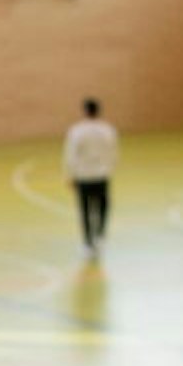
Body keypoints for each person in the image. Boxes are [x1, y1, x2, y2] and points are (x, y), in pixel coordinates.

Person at [63, 97, 119, 257]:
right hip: (102, 175)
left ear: (84, 111)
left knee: (85, 209)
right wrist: (109, 169)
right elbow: (114, 152)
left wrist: (71, 174)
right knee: (103, 207)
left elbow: (71, 155)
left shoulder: (77, 131)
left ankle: (88, 242)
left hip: (84, 176)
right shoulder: (108, 130)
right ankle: (100, 235)